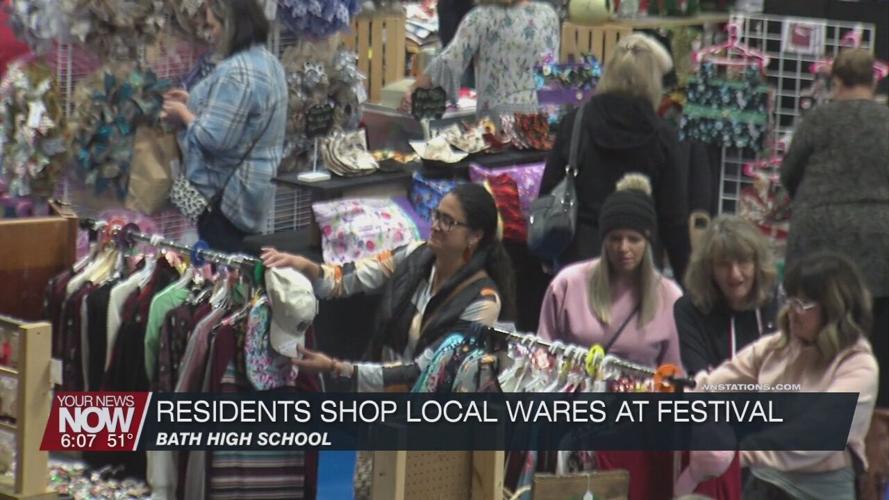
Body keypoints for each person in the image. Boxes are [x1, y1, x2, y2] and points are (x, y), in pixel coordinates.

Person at [260, 183, 515, 391]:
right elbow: (346, 279)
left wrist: (337, 368)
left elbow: (424, 371)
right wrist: (304, 265)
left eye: (448, 221)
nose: (435, 226)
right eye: (436, 215)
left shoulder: (483, 302)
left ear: (475, 236)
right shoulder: (416, 254)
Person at [695, 251, 878, 500]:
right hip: (764, 480)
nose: (791, 311)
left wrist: (741, 453)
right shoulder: (776, 347)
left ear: (835, 309)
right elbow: (715, 384)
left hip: (818, 491)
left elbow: (817, 435)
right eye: (789, 299)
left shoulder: (858, 366)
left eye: (802, 304)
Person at [781, 48, 889, 407]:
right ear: (874, 81)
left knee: (814, 329)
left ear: (836, 81)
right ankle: (870, 428)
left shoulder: (819, 119)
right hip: (880, 244)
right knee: (873, 337)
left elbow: (789, 174)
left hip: (818, 240)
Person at [540, 33, 689, 279]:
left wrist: (546, 254)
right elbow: (674, 219)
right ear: (654, 81)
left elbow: (548, 191)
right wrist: (685, 281)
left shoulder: (576, 123)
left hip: (579, 258)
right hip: (639, 264)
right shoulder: (663, 137)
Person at [162, 0, 287, 253]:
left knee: (221, 273)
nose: (211, 33)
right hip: (252, 191)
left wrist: (184, 114)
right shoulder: (269, 62)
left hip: (225, 201)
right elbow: (244, 119)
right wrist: (194, 102)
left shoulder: (237, 71)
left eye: (213, 25)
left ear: (230, 24)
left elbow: (214, 139)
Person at [537, 173, 682, 369]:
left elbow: (673, 373)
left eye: (633, 239)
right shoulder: (568, 284)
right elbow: (542, 352)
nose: (623, 247)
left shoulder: (670, 296)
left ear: (647, 241)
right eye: (615, 238)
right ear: (604, 240)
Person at [404, 0, 559, 116]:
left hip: (497, 123)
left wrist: (414, 89)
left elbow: (448, 62)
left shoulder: (481, 18)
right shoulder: (548, 16)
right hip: (538, 122)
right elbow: (550, 70)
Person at [676, 215, 780, 375]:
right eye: (723, 264)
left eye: (743, 261)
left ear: (757, 263)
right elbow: (698, 379)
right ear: (709, 268)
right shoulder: (689, 310)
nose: (735, 274)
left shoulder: (776, 301)